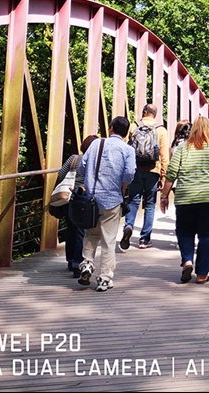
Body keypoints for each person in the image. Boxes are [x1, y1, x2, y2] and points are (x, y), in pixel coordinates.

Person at [160, 117, 209, 284]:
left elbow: (171, 173)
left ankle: (187, 261)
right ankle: (202, 274)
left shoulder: (183, 148)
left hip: (186, 196)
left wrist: (164, 196)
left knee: (185, 231)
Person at [77, 116, 136, 291]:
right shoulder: (127, 150)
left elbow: (82, 166)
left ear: (111, 128)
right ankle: (104, 278)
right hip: (112, 200)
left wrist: (90, 180)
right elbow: (130, 174)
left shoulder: (96, 144)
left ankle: (87, 263)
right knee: (108, 240)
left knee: (90, 234)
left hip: (91, 199)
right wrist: (123, 185)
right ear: (126, 134)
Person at [121, 104, 170, 250]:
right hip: (153, 170)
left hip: (135, 169)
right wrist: (163, 177)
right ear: (155, 114)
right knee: (149, 204)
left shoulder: (133, 126)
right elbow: (164, 156)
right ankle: (144, 239)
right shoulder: (161, 129)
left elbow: (126, 150)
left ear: (143, 112)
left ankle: (128, 225)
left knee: (133, 201)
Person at [56, 137, 90, 277]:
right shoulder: (94, 161)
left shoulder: (74, 159)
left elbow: (61, 174)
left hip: (68, 197)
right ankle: (77, 263)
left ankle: (70, 260)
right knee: (80, 230)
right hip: (82, 199)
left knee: (71, 228)